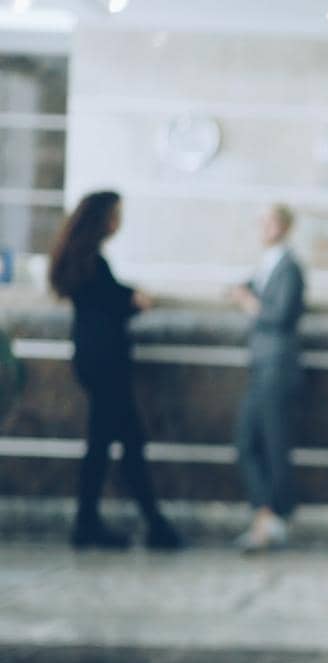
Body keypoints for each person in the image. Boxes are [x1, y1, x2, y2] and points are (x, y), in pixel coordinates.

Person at [48, 190, 182, 550]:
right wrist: (133, 301)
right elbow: (107, 306)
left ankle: (97, 523)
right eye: (116, 214)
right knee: (124, 443)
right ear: (103, 218)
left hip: (95, 359)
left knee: (108, 443)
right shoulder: (91, 260)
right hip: (105, 363)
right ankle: (151, 525)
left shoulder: (82, 258)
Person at [228, 204, 306, 552]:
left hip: (278, 367)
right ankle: (268, 513)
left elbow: (280, 314)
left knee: (273, 444)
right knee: (248, 441)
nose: (265, 227)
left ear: (286, 226)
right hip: (262, 366)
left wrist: (249, 302)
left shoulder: (290, 268)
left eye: (271, 221)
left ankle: (272, 517)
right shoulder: (268, 265)